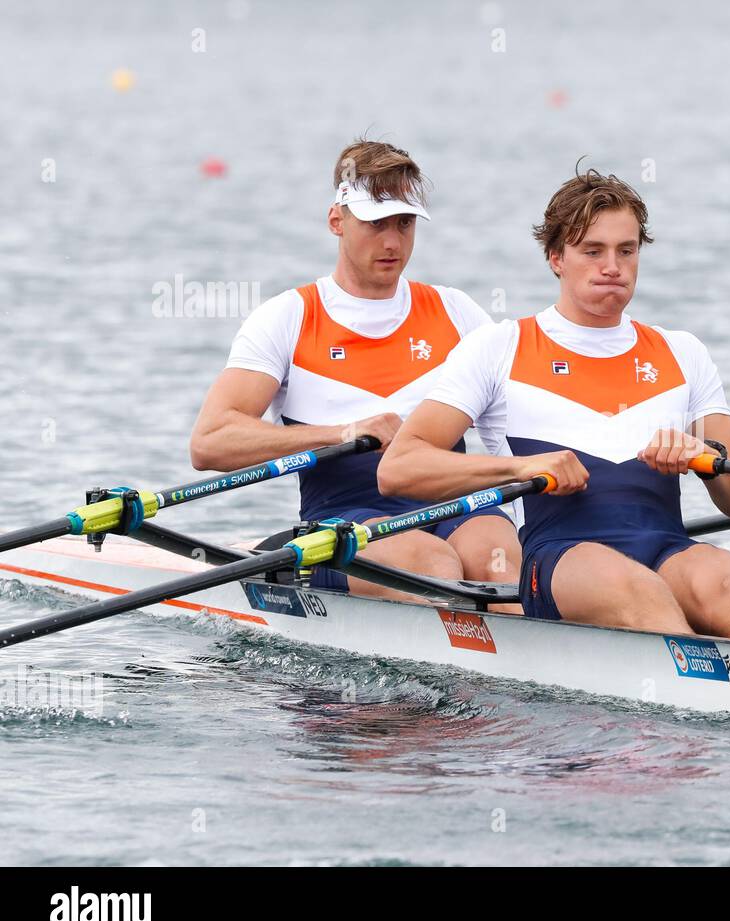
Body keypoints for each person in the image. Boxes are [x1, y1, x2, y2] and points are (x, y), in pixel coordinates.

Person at [377, 168, 730, 649]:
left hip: (667, 548)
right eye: (592, 251)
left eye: (626, 251)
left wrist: (706, 460)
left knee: (725, 577)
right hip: (559, 560)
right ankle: (706, 694)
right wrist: (522, 466)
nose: (612, 266)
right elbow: (399, 468)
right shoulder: (500, 348)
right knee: (631, 587)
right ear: (556, 258)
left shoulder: (681, 353)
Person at [189, 139, 520, 600]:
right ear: (337, 221)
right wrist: (342, 433)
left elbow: (515, 430)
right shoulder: (288, 318)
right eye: (375, 224)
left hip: (454, 504)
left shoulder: (456, 312)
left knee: (499, 562)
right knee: (430, 565)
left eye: (404, 224)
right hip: (345, 521)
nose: (392, 242)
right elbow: (209, 443)